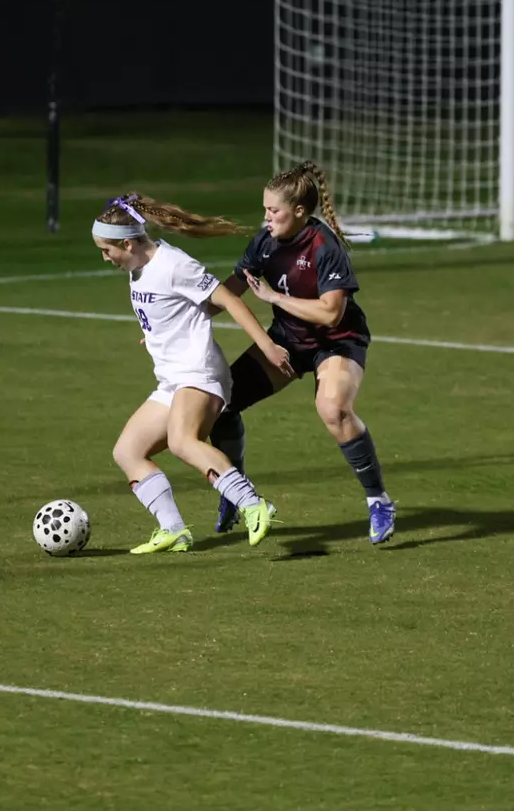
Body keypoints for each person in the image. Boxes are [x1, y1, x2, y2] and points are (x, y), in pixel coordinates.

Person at [207, 162, 397, 545]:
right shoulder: (265, 242)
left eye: (273, 210)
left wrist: (275, 297)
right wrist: (179, 319)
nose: (266, 217)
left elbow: (331, 313)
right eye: (265, 209)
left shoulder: (324, 246)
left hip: (336, 341)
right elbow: (231, 290)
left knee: (333, 409)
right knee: (219, 404)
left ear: (298, 211)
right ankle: (235, 492)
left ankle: (378, 500)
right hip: (290, 341)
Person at [92, 194, 290, 554]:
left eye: (107, 250)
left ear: (127, 244)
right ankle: (173, 530)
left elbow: (228, 299)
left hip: (199, 371)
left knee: (182, 441)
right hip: (173, 378)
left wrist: (267, 346)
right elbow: (173, 309)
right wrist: (157, 333)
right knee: (128, 451)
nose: (105, 258)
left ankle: (254, 505)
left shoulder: (173, 264)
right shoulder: (139, 268)